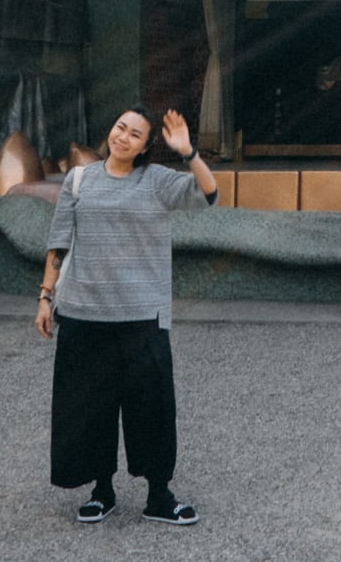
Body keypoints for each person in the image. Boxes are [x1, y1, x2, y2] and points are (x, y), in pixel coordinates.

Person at [36, 106, 218, 525]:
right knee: (90, 408)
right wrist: (46, 297)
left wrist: (189, 152)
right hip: (83, 312)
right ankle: (102, 490)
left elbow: (208, 194)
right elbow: (58, 241)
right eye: (120, 127)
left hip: (142, 314)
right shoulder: (79, 179)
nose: (123, 137)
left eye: (135, 134)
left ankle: (159, 495)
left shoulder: (156, 181)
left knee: (152, 408)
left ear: (145, 146)